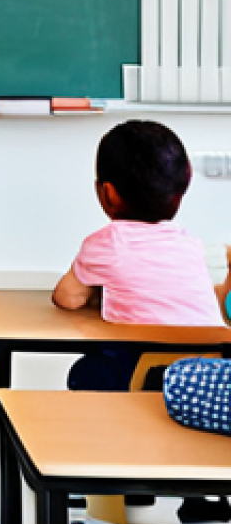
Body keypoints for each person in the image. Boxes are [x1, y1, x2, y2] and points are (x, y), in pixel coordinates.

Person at [53, 120, 223, 392]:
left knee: (83, 372)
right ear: (181, 192)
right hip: (208, 374)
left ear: (107, 193)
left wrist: (96, 295)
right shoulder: (189, 244)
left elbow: (67, 298)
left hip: (142, 373)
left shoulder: (107, 243)